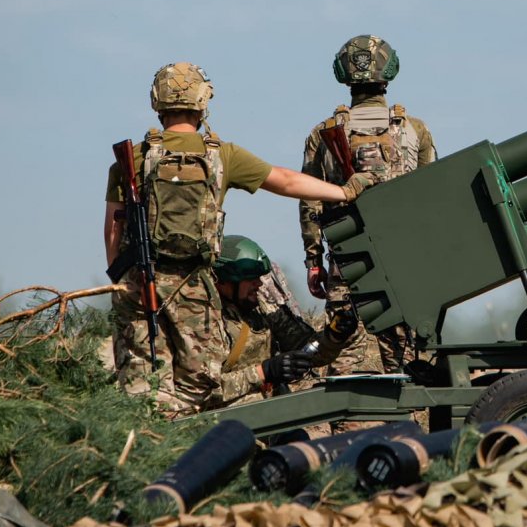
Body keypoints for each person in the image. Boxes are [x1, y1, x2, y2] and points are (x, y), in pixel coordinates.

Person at [104, 62, 377, 416]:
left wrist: (123, 284)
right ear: (203, 103)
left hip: (139, 282)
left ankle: (146, 439)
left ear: (157, 102)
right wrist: (343, 191)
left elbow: (113, 228)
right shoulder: (223, 154)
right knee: (201, 382)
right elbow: (286, 180)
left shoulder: (134, 159)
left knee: (138, 385)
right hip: (194, 287)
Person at [299, 35, 436, 376]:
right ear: (389, 71)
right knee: (404, 363)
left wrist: (313, 260)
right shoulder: (415, 129)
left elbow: (309, 199)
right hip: (403, 259)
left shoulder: (323, 134)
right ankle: (407, 427)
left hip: (346, 260)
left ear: (342, 73)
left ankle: (347, 427)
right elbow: (433, 196)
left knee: (343, 356)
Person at [212, 235, 354, 405]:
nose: (258, 284)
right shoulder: (202, 320)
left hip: (274, 413)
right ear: (224, 281)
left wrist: (333, 337)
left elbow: (304, 349)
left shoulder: (263, 306)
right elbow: (201, 392)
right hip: (223, 424)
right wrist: (265, 371)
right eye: (250, 278)